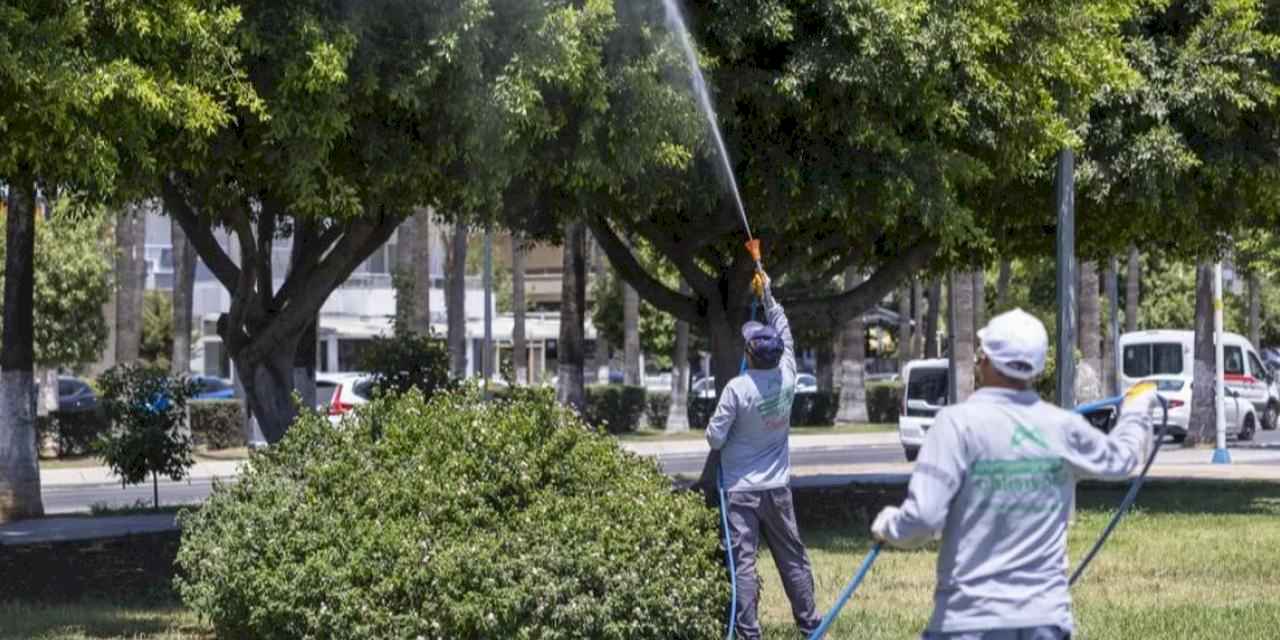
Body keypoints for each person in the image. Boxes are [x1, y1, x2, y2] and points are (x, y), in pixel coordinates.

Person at [871, 308, 1157, 640]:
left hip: (967, 621)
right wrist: (1136, 411)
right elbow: (1121, 460)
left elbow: (922, 520)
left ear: (986, 361)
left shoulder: (954, 425)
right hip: (1045, 621)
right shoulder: (1060, 426)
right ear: (1036, 369)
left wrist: (887, 526)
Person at [705, 269, 821, 640]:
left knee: (744, 564)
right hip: (778, 488)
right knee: (793, 559)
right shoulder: (788, 377)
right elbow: (783, 328)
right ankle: (810, 626)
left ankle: (748, 634)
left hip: (740, 491)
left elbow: (714, 439)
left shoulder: (736, 390)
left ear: (750, 355)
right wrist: (768, 293)